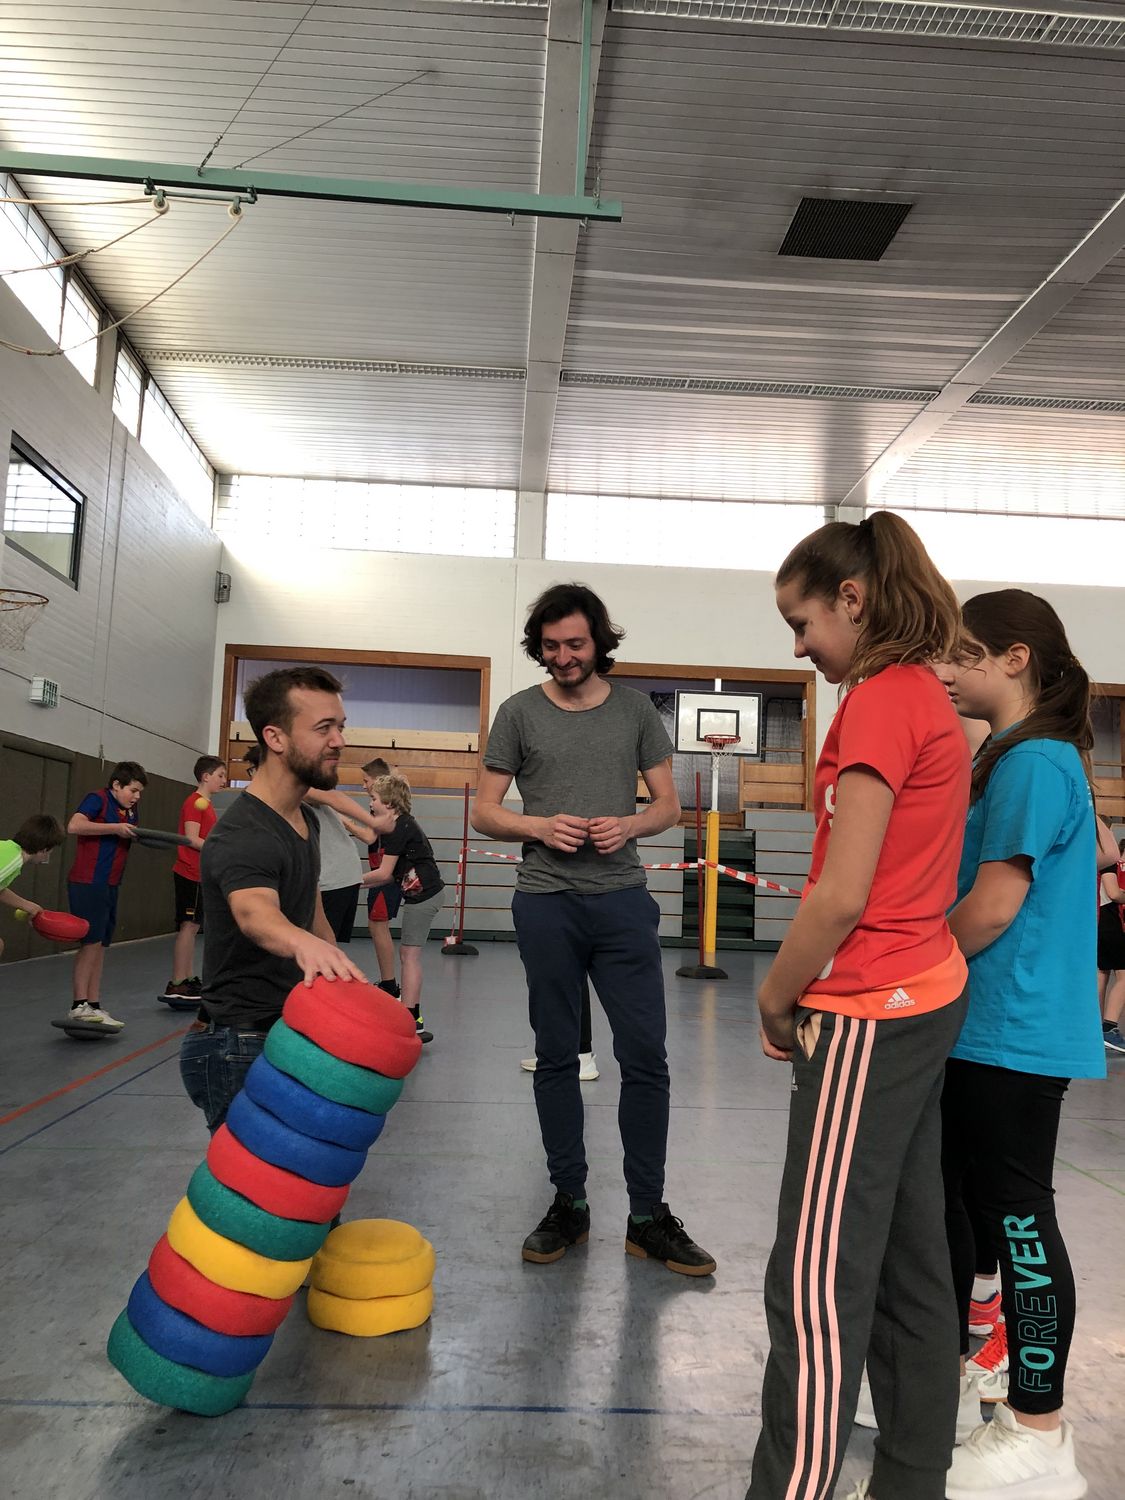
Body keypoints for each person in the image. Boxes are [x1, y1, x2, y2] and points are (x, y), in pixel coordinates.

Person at [746, 513, 971, 1500]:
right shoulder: (922, 694)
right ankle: (914, 1477)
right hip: (921, 996)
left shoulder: (881, 700)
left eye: (802, 623)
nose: (798, 647)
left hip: (870, 1013)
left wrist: (775, 995)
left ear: (854, 599)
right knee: (913, 1261)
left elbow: (842, 894)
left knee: (817, 1281)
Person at [471, 582, 715, 1275]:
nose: (563, 657)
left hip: (621, 904)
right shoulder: (518, 713)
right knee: (555, 1056)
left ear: (598, 641)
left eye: (574, 644)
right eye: (550, 646)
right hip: (545, 903)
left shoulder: (635, 711)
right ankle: (568, 1203)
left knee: (645, 1058)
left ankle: (647, 1216)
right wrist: (537, 825)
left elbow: (667, 805)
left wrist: (630, 825)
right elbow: (485, 811)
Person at [935, 589, 1106, 1500]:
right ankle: (977, 1378)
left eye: (961, 654)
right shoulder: (1019, 755)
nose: (946, 670)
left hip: (1014, 1028)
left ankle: (1039, 1432)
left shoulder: (1035, 760)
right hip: (988, 1025)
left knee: (1018, 1219)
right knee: (974, 1206)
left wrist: (906, 972)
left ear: (1014, 659)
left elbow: (994, 906)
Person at [179, 667, 368, 1133]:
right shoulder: (244, 833)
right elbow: (256, 914)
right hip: (239, 1042)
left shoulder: (305, 819)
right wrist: (304, 945)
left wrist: (343, 985)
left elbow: (312, 913)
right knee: (258, 1181)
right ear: (275, 737)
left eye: (341, 726)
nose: (339, 741)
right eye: (323, 728)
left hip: (288, 1028)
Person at [65, 761, 146, 1030]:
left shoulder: (130, 810)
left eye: (139, 792)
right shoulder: (97, 799)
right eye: (133, 790)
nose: (136, 796)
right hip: (88, 882)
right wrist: (114, 828)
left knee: (101, 945)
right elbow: (74, 826)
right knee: (90, 943)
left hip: (111, 883)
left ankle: (94, 1004)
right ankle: (78, 1005)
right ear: (116, 785)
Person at [362, 774, 443, 1044]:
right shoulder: (400, 825)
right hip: (419, 894)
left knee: (409, 956)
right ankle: (410, 1014)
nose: (370, 803)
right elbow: (388, 876)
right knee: (408, 954)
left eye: (374, 798)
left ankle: (412, 1018)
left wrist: (350, 880)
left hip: (425, 896)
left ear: (389, 803)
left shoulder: (400, 827)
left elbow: (384, 873)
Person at [163, 755, 228, 1002]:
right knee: (188, 926)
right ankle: (177, 982)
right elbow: (191, 838)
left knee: (194, 927)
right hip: (189, 872)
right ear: (206, 776)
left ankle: (188, 978)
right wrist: (218, 848)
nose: (224, 780)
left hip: (201, 874)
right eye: (220, 775)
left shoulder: (206, 804)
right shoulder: (194, 802)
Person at [360, 757, 402, 996]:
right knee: (375, 926)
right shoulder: (377, 806)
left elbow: (369, 836)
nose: (363, 785)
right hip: (379, 870)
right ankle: (388, 981)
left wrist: (343, 821)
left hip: (385, 873)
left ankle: (390, 983)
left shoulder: (387, 807)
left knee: (379, 926)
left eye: (366, 781)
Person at [0, 813, 66, 954]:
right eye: (50, 851)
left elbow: (0, 889)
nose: (48, 856)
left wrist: (28, 906)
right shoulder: (13, 860)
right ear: (44, 849)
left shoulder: (9, 851)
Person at [1096, 832, 1125, 1054]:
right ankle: (1109, 1027)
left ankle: (1096, 1027)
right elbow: (1114, 893)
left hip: (1099, 919)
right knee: (1124, 976)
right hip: (1110, 920)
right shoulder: (1109, 862)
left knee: (1102, 973)